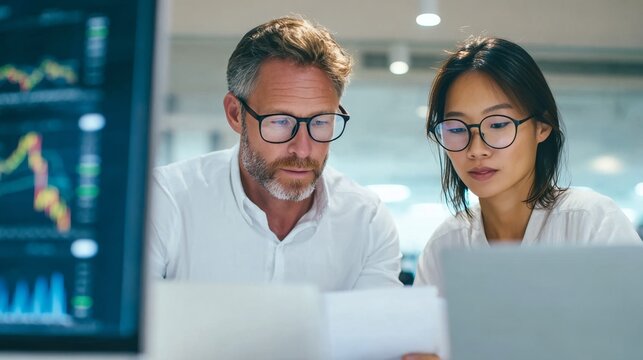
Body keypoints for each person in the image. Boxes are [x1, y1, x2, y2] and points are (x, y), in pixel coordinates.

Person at [148, 16, 402, 290]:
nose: (303, 149)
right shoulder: (164, 200)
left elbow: (374, 332)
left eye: (320, 122)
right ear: (235, 114)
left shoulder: (367, 221)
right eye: (281, 121)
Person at [414, 36, 642, 294]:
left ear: (542, 126)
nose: (476, 150)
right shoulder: (445, 247)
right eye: (456, 128)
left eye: (498, 124)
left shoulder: (590, 223)